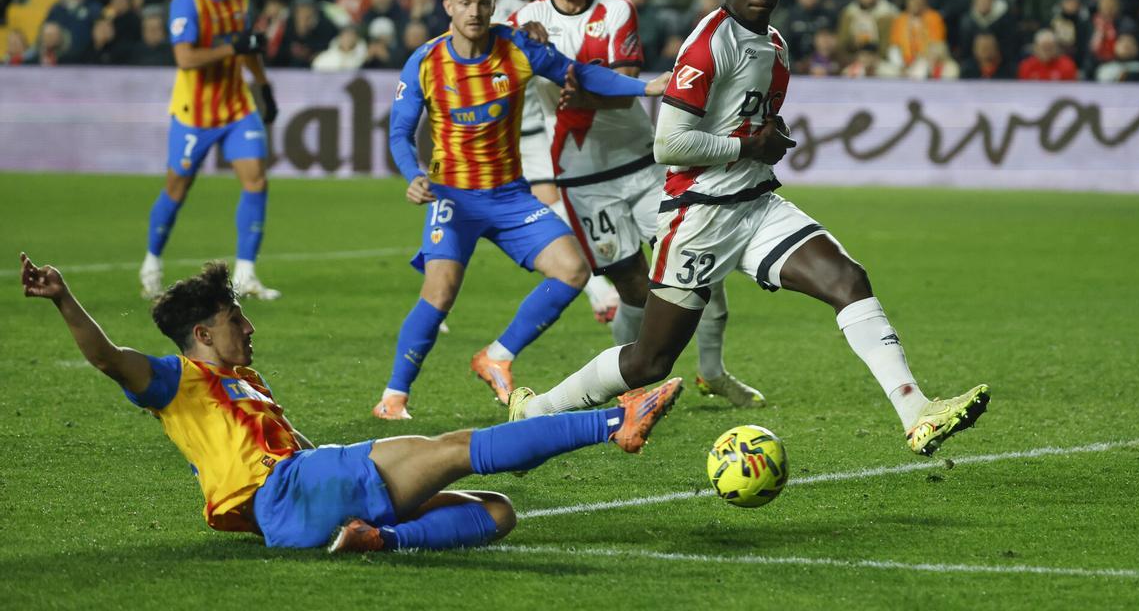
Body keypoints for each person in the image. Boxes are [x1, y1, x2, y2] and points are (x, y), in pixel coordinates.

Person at [510, 0, 990, 459]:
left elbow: (749, 122)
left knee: (847, 279)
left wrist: (768, 138)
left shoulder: (776, 44)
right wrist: (748, 143)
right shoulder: (708, 44)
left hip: (756, 204)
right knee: (650, 362)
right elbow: (668, 142)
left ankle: (915, 411)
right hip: (699, 215)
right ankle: (537, 412)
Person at [19, 254, 682, 552]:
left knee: (497, 514)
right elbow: (109, 359)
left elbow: (291, 448)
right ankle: (613, 420)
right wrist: (63, 298)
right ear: (201, 335)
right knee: (453, 449)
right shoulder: (178, 380)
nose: (247, 329)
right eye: (234, 320)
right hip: (288, 494)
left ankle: (374, 540)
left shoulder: (250, 388)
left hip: (298, 506)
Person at [374, 0, 669, 421]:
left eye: (482, 3)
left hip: (510, 196)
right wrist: (412, 172)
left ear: (495, 6)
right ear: (448, 6)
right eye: (464, 3)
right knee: (440, 293)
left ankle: (497, 356)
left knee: (573, 270)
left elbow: (579, 74)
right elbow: (399, 130)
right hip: (453, 197)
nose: (474, 11)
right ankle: (394, 396)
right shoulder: (427, 61)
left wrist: (644, 85)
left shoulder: (516, 48)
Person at [513, 0, 763, 408]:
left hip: (643, 164)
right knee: (631, 284)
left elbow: (623, 79)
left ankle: (711, 370)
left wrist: (582, 90)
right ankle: (635, 383)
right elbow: (598, 82)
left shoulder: (617, 10)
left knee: (700, 264)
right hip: (581, 177)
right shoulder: (527, 21)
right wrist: (586, 82)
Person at [139, 0, 281, 301]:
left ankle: (246, 275)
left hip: (236, 107)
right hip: (194, 114)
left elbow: (247, 48)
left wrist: (263, 85)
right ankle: (151, 262)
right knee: (177, 188)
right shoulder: (186, 2)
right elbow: (185, 58)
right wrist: (230, 48)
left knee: (256, 180)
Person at [490, 0, 620, 325]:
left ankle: (602, 285)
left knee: (559, 198)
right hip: (507, 125)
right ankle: (600, 289)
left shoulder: (549, 5)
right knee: (551, 200)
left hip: (545, 119)